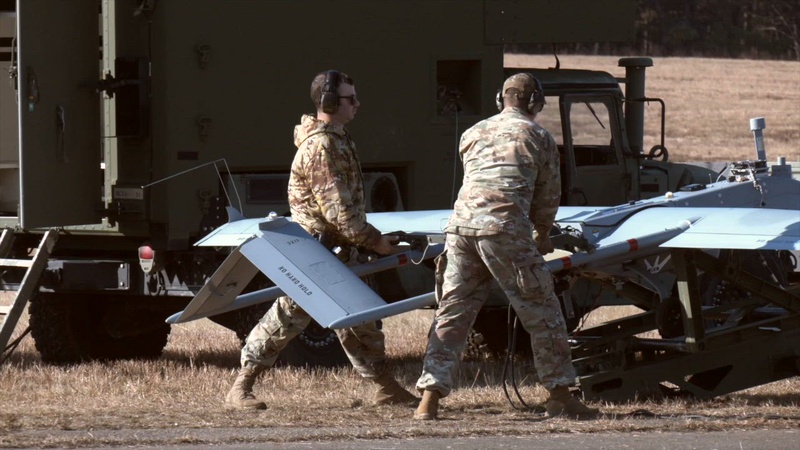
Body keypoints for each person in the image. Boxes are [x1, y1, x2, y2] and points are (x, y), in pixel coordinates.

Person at [225, 70, 418, 410]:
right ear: (330, 102)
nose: (357, 104)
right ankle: (241, 387)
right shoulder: (322, 147)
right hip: (317, 251)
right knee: (288, 316)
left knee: (361, 318)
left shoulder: (338, 140)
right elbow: (339, 212)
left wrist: (369, 241)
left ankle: (385, 387)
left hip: (336, 248)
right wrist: (377, 243)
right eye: (350, 98)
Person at [413, 73, 600, 420]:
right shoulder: (538, 136)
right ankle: (561, 394)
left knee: (452, 315)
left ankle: (429, 399)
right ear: (534, 104)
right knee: (543, 313)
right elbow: (547, 197)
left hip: (461, 231)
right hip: (505, 231)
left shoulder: (472, 133)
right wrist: (541, 235)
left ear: (501, 100)